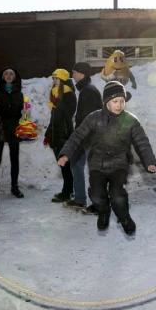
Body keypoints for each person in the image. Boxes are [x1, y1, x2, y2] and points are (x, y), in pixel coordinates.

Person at [57, 81, 156, 235]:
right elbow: (77, 136)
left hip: (119, 164)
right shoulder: (94, 118)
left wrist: (149, 162)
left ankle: (124, 217)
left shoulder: (130, 120)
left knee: (118, 195)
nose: (119, 105)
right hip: (97, 164)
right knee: (96, 195)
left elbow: (142, 143)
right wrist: (66, 153)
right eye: (115, 101)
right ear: (106, 102)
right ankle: (103, 211)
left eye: (122, 101)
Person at [64, 62, 102, 214]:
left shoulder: (88, 91)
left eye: (74, 72)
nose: (73, 75)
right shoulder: (86, 90)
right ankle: (80, 199)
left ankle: (98, 204)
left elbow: (88, 117)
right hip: (86, 135)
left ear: (82, 74)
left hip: (89, 136)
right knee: (76, 165)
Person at [0, 67, 25, 199]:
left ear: (15, 77)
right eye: (6, 74)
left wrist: (24, 111)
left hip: (14, 128)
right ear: (2, 77)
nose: (9, 76)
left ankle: (14, 186)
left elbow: (21, 109)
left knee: (14, 158)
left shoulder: (19, 93)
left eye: (11, 74)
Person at [43, 69, 77, 203]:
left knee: (65, 166)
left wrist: (57, 101)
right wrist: (47, 134)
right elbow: (54, 118)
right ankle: (67, 190)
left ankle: (67, 192)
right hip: (55, 134)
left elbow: (68, 114)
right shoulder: (55, 93)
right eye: (53, 79)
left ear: (62, 80)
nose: (54, 81)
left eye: (56, 79)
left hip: (64, 134)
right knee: (62, 165)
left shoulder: (69, 94)